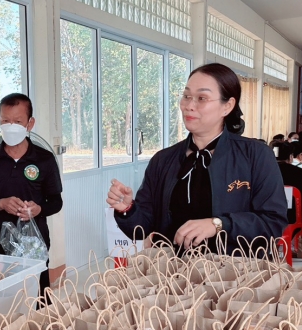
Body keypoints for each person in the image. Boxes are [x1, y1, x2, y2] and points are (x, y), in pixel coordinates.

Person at [106, 63, 287, 253]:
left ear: (227, 106)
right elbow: (141, 229)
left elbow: (273, 223)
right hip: (173, 268)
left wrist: (218, 224)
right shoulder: (163, 160)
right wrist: (127, 209)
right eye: (186, 96)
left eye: (202, 98)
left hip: (234, 268)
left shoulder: (255, 155)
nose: (189, 106)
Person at [0, 92, 63, 293]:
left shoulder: (45, 159)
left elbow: (56, 202)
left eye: (17, 122)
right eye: (5, 121)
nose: (11, 126)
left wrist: (39, 209)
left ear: (30, 124)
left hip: (35, 245)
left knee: (38, 297)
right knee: (3, 299)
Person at [275, 143, 302, 225]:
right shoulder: (299, 172)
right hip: (293, 216)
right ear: (290, 157)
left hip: (265, 216)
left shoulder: (262, 172)